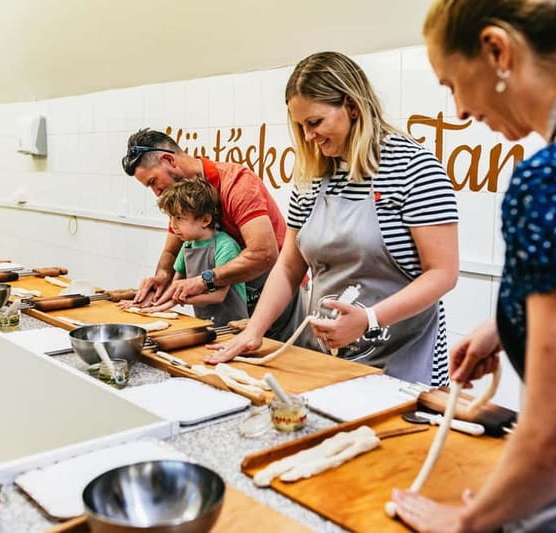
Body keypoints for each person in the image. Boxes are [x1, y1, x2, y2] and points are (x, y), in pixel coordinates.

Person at [392, 0, 556, 531]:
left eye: (452, 84)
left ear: (496, 50)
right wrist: (508, 323)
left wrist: (466, 521)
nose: (460, 111)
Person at [206, 51, 459, 386]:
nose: (309, 136)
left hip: (405, 364)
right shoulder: (312, 179)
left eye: (315, 122)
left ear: (352, 107)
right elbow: (288, 267)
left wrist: (369, 319)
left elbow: (442, 273)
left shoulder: (412, 168)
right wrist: (254, 331)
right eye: (300, 126)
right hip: (330, 358)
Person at [122, 128, 302, 340]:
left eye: (153, 182)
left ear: (169, 160)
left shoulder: (237, 184)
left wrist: (203, 281)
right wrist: (162, 276)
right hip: (230, 307)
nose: (156, 192)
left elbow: (263, 254)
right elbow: (171, 252)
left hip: (274, 295)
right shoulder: (181, 197)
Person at [123, 177, 248, 326]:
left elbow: (218, 295)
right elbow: (175, 286)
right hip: (205, 322)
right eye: (170, 218)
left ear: (205, 220)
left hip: (233, 325)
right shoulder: (188, 245)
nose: (172, 225)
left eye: (179, 218)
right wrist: (150, 304)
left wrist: (177, 300)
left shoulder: (225, 246)